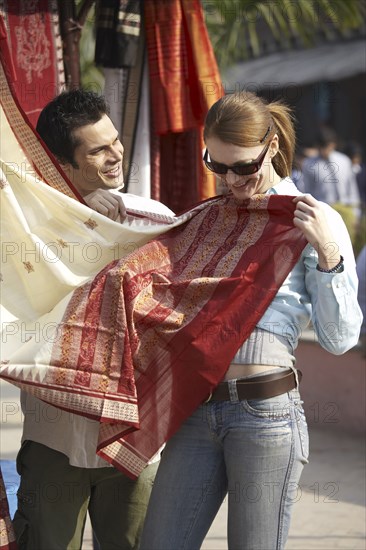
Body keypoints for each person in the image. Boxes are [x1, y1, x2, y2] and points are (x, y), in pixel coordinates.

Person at [139, 91, 363, 549]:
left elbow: (340, 339)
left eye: (243, 166)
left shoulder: (309, 218)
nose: (230, 180)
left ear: (273, 146)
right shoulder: (209, 219)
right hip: (197, 412)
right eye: (216, 165)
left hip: (266, 415)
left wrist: (328, 252)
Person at [12, 89, 174, 550]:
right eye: (98, 149)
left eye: (116, 141)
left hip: (137, 441)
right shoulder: (29, 234)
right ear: (63, 164)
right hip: (54, 439)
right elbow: (29, 311)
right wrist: (80, 222)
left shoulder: (153, 219)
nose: (115, 155)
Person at [301, 127, 360, 241]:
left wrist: (356, 214)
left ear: (333, 145)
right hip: (323, 212)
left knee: (346, 245)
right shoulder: (309, 164)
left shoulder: (344, 161)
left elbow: (351, 188)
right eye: (321, 148)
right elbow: (307, 191)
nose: (324, 151)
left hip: (346, 211)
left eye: (327, 147)